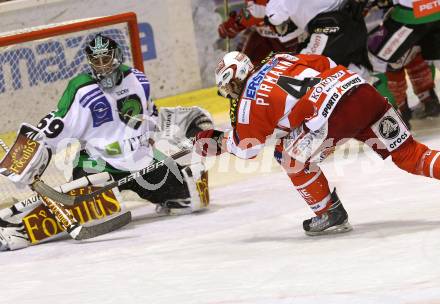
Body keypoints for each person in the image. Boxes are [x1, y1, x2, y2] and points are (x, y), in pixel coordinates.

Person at [0, 34, 212, 250]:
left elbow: (152, 116)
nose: (102, 66)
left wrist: (191, 124)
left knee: (194, 196)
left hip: (140, 159)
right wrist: (27, 157)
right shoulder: (82, 89)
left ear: (117, 57)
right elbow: (54, 125)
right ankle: (18, 231)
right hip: (97, 164)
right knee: (90, 212)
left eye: (106, 59)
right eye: (96, 61)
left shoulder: (138, 79)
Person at [195, 51, 440, 235]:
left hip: (334, 116)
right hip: (362, 92)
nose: (230, 93)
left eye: (228, 87)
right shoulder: (279, 58)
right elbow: (327, 64)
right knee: (410, 155)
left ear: (235, 79)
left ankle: (328, 212)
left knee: (286, 155)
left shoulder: (249, 100)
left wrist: (212, 139)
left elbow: (245, 148)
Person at [367, 0, 440, 127]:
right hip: (435, 9)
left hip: (412, 12)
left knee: (376, 57)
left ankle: (394, 113)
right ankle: (427, 98)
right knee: (420, 45)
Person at [264, 0, 372, 79]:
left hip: (329, 28)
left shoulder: (276, 3)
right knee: (356, 71)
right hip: (353, 17)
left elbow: (274, 17)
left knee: (300, 71)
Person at [218, 0, 301, 64]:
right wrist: (236, 23)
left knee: (296, 69)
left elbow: (259, 11)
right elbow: (253, 9)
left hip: (289, 35)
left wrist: (238, 23)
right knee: (241, 65)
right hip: (262, 33)